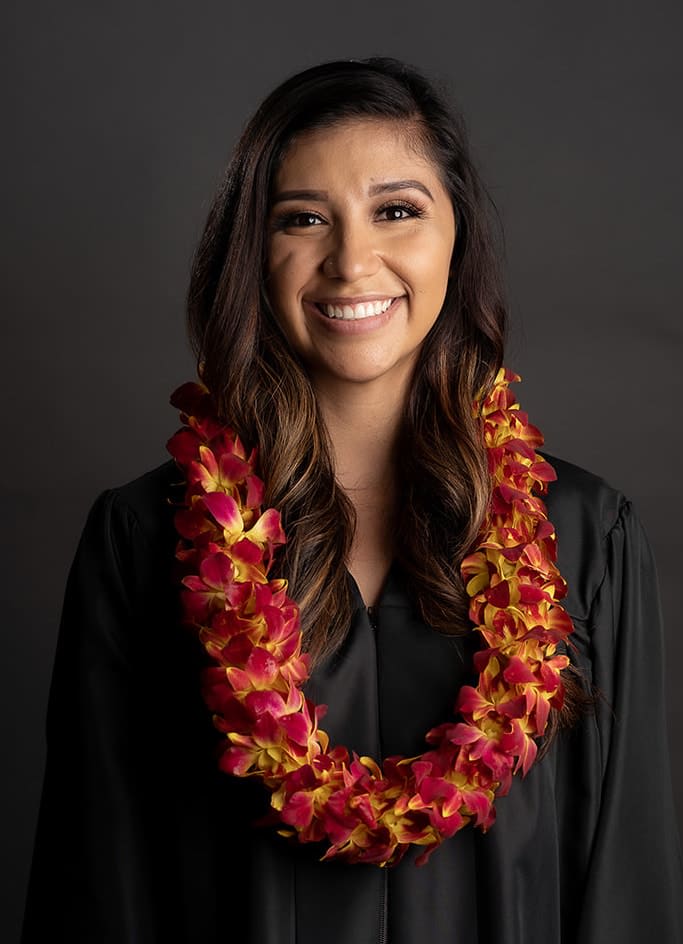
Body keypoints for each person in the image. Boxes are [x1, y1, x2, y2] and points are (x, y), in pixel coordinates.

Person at [22, 57, 682, 944]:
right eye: (302, 218)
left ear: (455, 238)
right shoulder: (145, 541)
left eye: (396, 211)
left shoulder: (584, 537)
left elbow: (625, 886)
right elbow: (99, 891)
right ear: (253, 253)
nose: (350, 261)